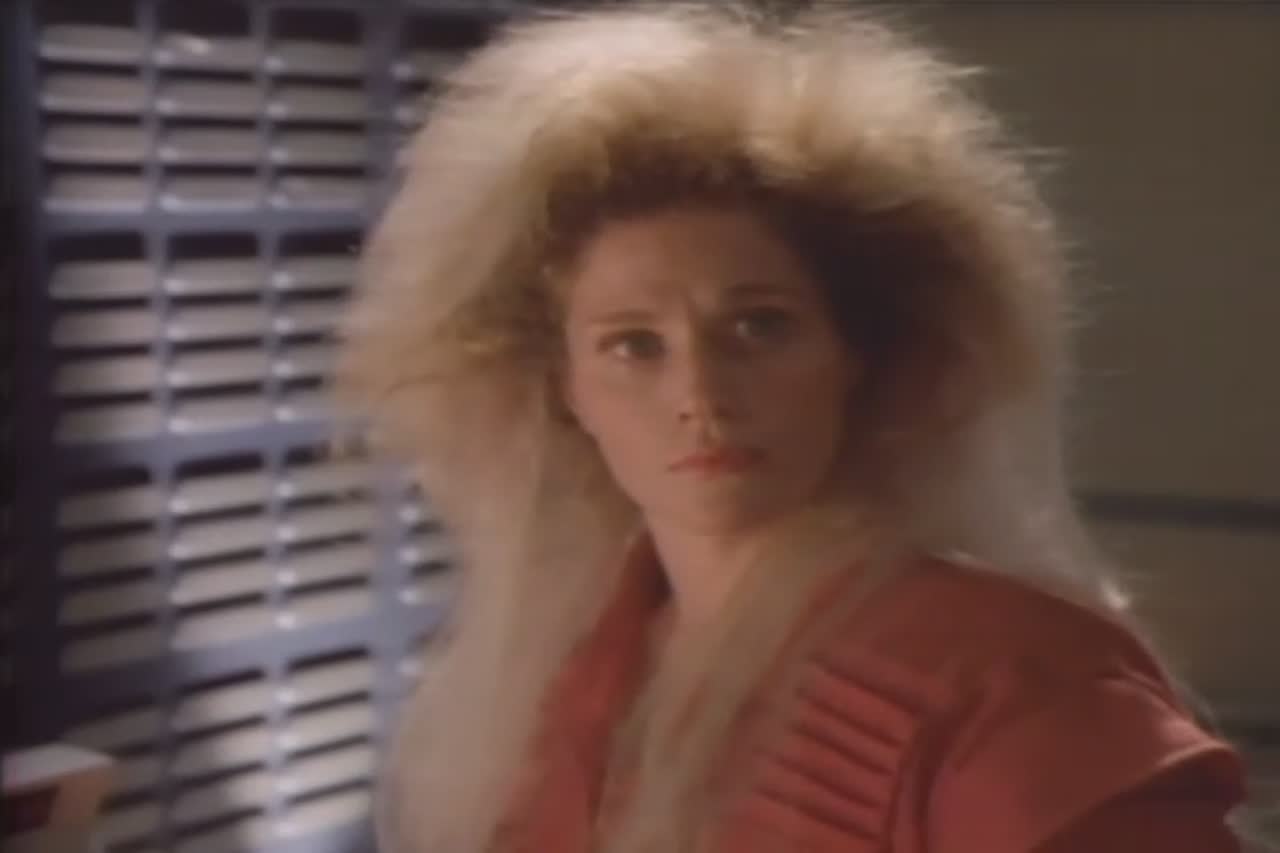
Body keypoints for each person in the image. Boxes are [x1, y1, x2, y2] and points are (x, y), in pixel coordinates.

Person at [338, 3, 1248, 851]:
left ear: (858, 351)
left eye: (759, 327)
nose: (701, 393)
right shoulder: (576, 668)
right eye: (634, 345)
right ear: (562, 385)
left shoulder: (1013, 674)